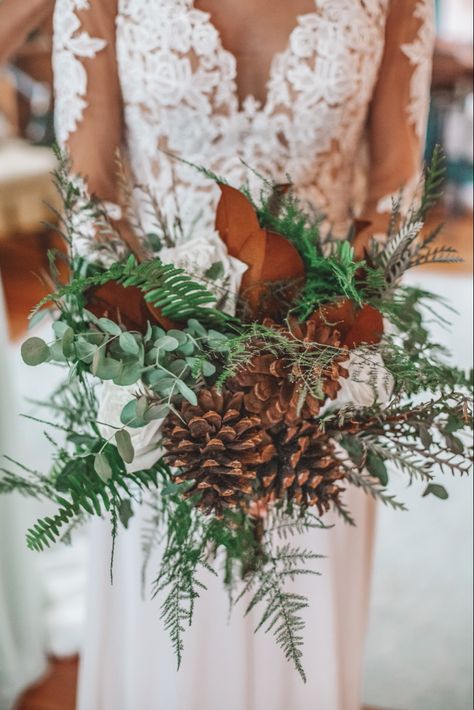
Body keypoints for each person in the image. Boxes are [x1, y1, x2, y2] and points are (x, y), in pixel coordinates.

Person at [52, 1, 434, 709]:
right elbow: (91, 197)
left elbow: (395, 188)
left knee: (301, 635)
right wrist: (163, 373)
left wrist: (308, 366)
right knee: (165, 632)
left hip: (322, 377)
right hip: (157, 382)